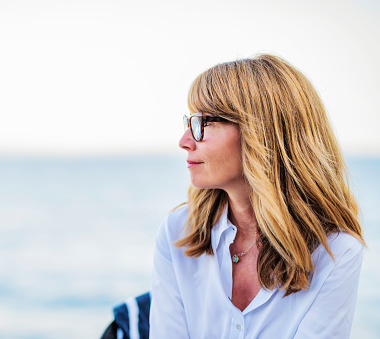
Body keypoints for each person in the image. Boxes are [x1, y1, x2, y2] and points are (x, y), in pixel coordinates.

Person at [150, 54, 365, 338]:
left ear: (260, 133)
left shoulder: (335, 252)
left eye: (202, 123)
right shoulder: (178, 232)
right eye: (189, 121)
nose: (185, 141)